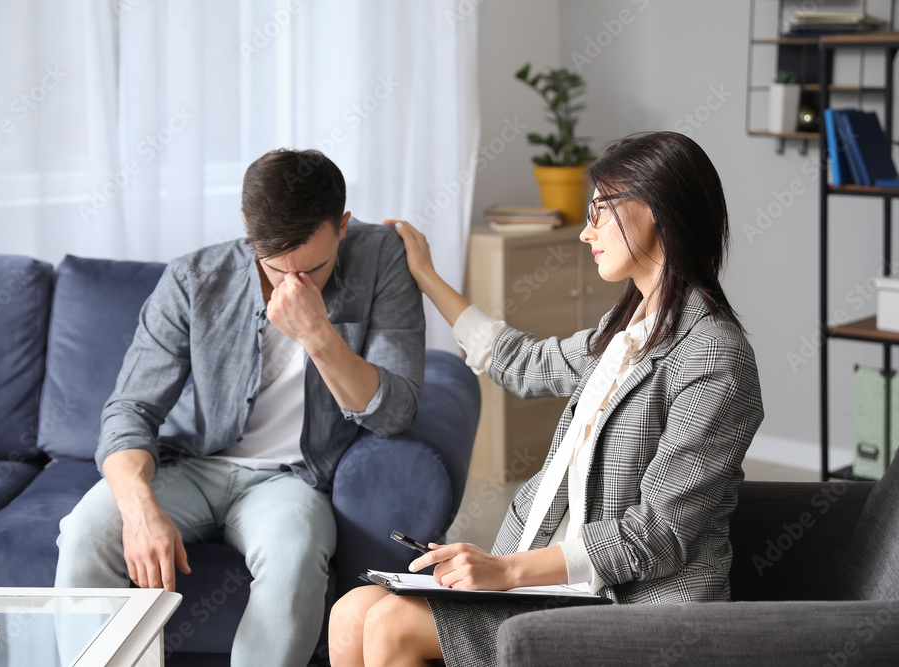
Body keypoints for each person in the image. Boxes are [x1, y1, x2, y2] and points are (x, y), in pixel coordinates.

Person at [328, 131, 765, 666]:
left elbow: (659, 532)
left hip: (632, 611)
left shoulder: (714, 355)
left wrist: (508, 571)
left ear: (651, 212)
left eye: (600, 212)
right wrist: (426, 276)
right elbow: (525, 362)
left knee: (393, 624)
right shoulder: (627, 328)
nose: (586, 233)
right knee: (351, 612)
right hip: (557, 589)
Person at [54, 148, 425, 666]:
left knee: (295, 553)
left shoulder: (381, 258)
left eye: (314, 269)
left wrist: (317, 334)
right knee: (85, 534)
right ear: (248, 227)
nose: (293, 286)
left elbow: (394, 412)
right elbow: (128, 413)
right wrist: (139, 510)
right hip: (192, 466)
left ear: (342, 226)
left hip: (291, 480)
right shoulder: (193, 278)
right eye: (275, 269)